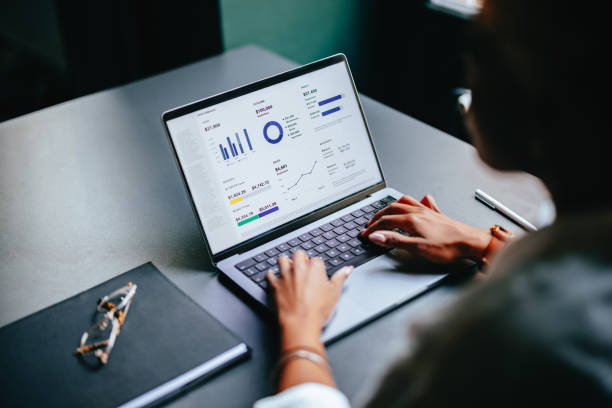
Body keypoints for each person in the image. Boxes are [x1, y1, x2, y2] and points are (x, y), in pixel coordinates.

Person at [254, 0, 612, 406]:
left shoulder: (508, 338)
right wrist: (484, 242)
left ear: (542, 101)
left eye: (480, 45)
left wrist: (300, 335)